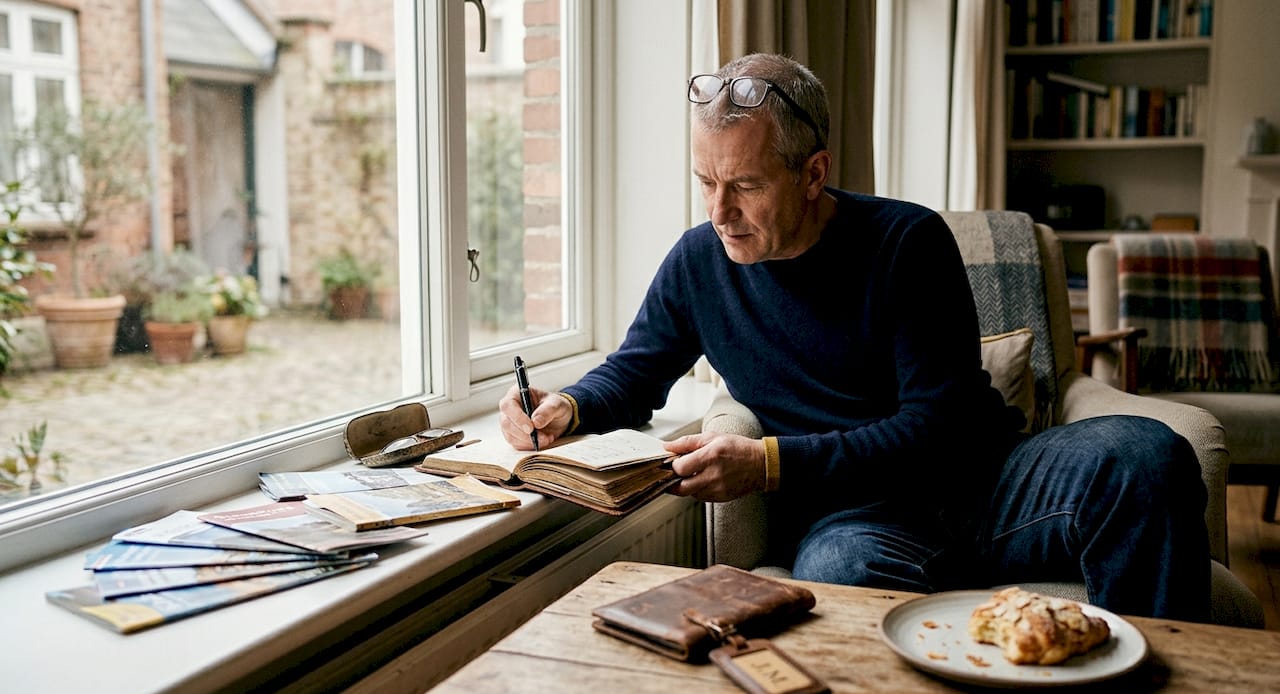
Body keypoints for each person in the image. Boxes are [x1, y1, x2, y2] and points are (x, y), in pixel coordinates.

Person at [498, 53, 1210, 622]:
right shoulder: (699, 261)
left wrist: (771, 463)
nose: (720, 210)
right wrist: (569, 404)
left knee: (1148, 455)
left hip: (989, 484)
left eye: (744, 184)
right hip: (858, 519)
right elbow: (636, 371)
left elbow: (936, 428)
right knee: (840, 571)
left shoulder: (907, 241)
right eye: (706, 181)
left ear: (814, 173)